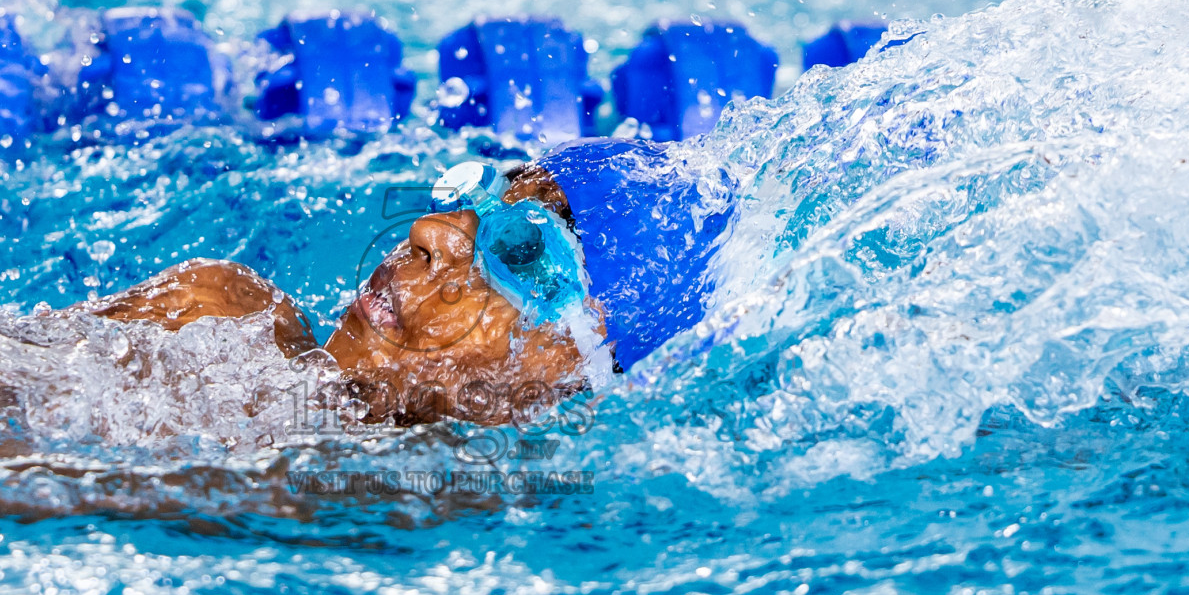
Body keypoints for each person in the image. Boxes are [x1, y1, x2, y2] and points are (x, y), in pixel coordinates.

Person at [88, 138, 734, 426]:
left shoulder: (433, 512)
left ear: (569, 370)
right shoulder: (215, 310)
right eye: (486, 197)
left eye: (521, 250)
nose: (430, 230)